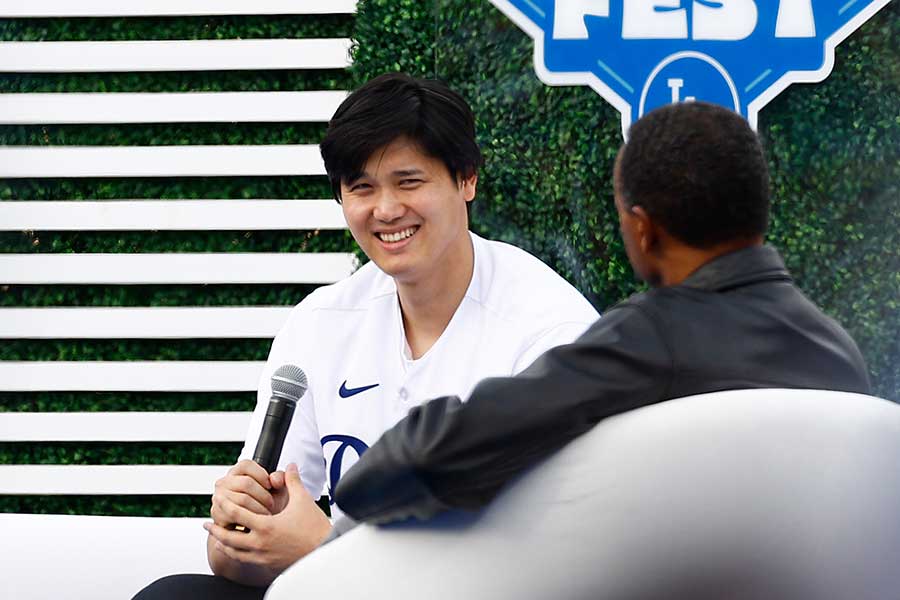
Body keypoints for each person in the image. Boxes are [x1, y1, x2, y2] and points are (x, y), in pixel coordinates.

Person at [132, 73, 598, 600]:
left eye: (409, 181)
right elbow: (237, 559)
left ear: (466, 179)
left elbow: (548, 564)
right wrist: (238, 532)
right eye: (361, 188)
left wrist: (323, 553)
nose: (386, 209)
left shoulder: (549, 333)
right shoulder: (321, 323)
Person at [331, 100, 873, 526]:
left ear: (643, 228)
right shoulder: (837, 352)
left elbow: (431, 457)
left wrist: (353, 493)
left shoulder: (651, 341)